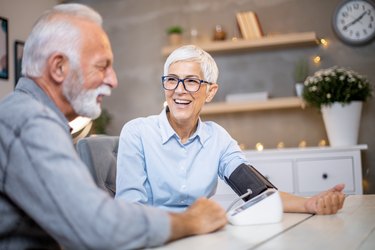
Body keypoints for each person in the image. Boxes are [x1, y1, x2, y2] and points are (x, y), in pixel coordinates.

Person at [0, 4, 227, 249]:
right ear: (59, 68)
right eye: (102, 66)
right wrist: (189, 221)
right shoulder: (30, 123)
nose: (113, 80)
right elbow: (97, 226)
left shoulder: (27, 115)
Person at [116, 44, 346, 215]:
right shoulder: (137, 133)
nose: (179, 90)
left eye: (192, 81)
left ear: (211, 92)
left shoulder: (217, 138)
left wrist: (309, 204)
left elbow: (257, 191)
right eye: (172, 80)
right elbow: (129, 212)